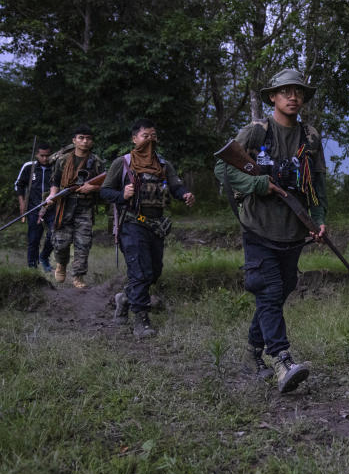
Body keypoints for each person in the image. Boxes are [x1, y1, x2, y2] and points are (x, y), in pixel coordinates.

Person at [215, 68, 327, 393]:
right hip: (258, 229)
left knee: (280, 291)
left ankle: (253, 349)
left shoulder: (311, 137)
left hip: (294, 231)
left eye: (298, 92)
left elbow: (318, 183)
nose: (293, 97)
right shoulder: (256, 132)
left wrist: (319, 219)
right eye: (285, 91)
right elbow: (221, 167)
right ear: (273, 98)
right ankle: (282, 360)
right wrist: (256, 183)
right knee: (267, 289)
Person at [100, 119, 195, 339]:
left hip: (156, 226)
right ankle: (141, 321)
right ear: (135, 139)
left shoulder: (163, 164)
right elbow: (105, 192)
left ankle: (124, 298)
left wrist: (185, 195)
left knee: (153, 272)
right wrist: (122, 195)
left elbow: (175, 186)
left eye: (153, 136)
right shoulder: (122, 164)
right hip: (131, 224)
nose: (150, 140)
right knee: (140, 272)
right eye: (145, 136)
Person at [42, 126, 104, 289]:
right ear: (74, 140)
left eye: (88, 138)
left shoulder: (96, 162)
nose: (85, 141)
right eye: (81, 137)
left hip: (85, 207)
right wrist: (51, 196)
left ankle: (78, 276)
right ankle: (61, 264)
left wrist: (92, 188)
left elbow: (106, 184)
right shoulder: (63, 160)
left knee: (83, 243)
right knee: (61, 242)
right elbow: (55, 182)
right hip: (64, 205)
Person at [14, 143, 55, 272]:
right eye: (42, 156)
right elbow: (18, 185)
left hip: (52, 207)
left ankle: (44, 257)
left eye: (47, 155)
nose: (45, 158)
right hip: (33, 208)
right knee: (33, 239)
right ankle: (32, 267)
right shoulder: (29, 167)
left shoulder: (56, 166)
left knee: (55, 234)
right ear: (37, 154)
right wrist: (22, 204)